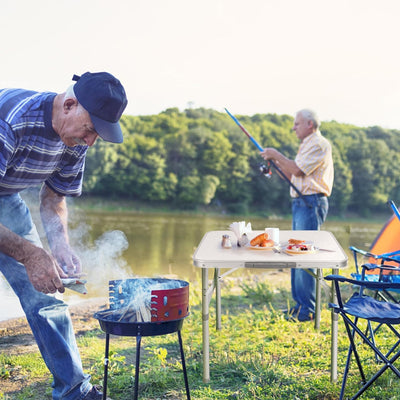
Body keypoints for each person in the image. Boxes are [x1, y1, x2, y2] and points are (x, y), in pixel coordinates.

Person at [0, 71, 127, 399]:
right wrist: (30, 254)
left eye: (96, 134)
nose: (90, 142)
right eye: (89, 130)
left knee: (45, 290)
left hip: (4, 196)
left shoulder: (76, 139)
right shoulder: (12, 123)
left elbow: (54, 198)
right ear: (69, 105)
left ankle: (75, 392)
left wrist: (59, 247)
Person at [260, 109, 334, 322]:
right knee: (295, 253)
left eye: (297, 123)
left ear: (310, 124)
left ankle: (308, 310)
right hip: (301, 202)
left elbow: (298, 170)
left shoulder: (319, 144)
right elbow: (293, 173)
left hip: (311, 203)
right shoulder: (307, 145)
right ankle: (300, 305)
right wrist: (276, 163)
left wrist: (275, 154)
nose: (293, 127)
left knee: (304, 255)